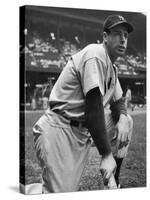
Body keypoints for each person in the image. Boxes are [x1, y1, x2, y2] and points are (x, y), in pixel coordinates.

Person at [33, 15, 134, 193]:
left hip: (82, 132)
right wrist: (106, 155)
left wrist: (124, 117)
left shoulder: (112, 67)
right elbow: (93, 108)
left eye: (126, 35)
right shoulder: (95, 53)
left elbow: (118, 102)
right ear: (105, 37)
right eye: (118, 34)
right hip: (60, 129)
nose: (123, 39)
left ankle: (113, 183)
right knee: (60, 192)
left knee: (127, 122)